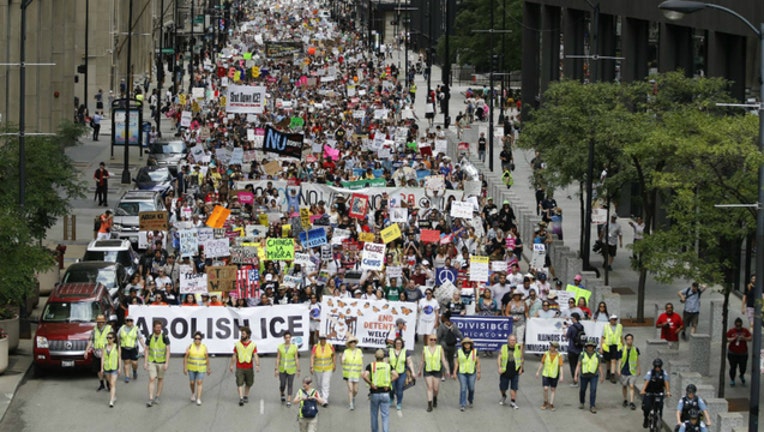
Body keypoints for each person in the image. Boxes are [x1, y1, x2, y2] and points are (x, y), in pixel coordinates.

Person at [362, 349, 398, 432]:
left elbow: (364, 376)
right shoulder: (388, 366)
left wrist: (371, 383)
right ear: (383, 357)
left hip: (375, 393)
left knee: (374, 415)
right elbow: (396, 375)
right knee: (385, 415)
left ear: (375, 357)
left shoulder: (371, 365)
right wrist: (389, 383)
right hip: (385, 393)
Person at [419, 333, 451, 412]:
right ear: (428, 340)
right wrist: (419, 370)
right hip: (428, 370)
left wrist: (447, 369)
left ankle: (435, 397)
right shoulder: (425, 349)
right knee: (430, 387)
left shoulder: (440, 348)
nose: (433, 341)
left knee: (435, 388)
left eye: (434, 340)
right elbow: (422, 361)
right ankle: (429, 405)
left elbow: (443, 359)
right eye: (431, 339)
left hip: (437, 370)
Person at [229, 326, 260, 406]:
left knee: (249, 382)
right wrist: (231, 365)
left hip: (249, 367)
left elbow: (255, 355)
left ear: (248, 335)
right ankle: (241, 398)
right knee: (239, 382)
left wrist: (257, 364)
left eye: (243, 334)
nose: (242, 335)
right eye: (241, 334)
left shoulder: (252, 344)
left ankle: (246, 395)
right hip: (240, 366)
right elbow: (234, 355)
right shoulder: (238, 344)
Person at [144, 320, 170, 407]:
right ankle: (151, 398)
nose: (159, 329)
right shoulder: (150, 337)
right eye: (157, 327)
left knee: (160, 379)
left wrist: (166, 363)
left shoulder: (164, 337)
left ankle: (157, 395)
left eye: (160, 327)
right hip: (152, 361)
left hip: (161, 362)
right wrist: (145, 362)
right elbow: (147, 349)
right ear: (154, 327)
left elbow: (168, 350)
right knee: (152, 378)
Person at [84, 314, 113, 391]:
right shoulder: (94, 329)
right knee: (98, 370)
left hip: (106, 353)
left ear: (104, 321)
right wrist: (86, 350)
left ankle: (108, 384)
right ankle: (101, 384)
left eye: (101, 321)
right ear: (96, 321)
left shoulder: (109, 329)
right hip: (96, 352)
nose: (100, 323)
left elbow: (113, 340)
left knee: (106, 370)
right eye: (99, 321)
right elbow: (91, 340)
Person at [640, 358, 671, 429]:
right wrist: (643, 390)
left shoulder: (664, 373)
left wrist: (668, 392)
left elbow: (666, 383)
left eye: (659, 367)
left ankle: (659, 420)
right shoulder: (650, 373)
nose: (657, 368)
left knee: (660, 406)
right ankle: (646, 419)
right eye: (656, 367)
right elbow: (646, 382)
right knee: (646, 407)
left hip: (659, 392)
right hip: (649, 392)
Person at [574, 341, 604, 413]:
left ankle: (592, 405)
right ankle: (582, 402)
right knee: (582, 390)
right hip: (584, 375)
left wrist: (602, 375)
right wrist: (576, 375)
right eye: (588, 346)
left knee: (593, 390)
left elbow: (599, 366)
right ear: (586, 347)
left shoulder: (597, 355)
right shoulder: (582, 354)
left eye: (591, 346)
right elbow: (578, 365)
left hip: (594, 375)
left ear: (594, 347)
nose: (590, 347)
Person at [452, 337, 480, 411]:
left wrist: (479, 372)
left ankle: (470, 400)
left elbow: (477, 363)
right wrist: (454, 372)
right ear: (463, 344)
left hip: (471, 372)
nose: (467, 345)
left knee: (471, 388)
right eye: (465, 343)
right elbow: (456, 363)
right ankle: (462, 404)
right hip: (462, 372)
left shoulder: (474, 351)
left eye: (468, 343)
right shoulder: (459, 352)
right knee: (463, 388)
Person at [183, 331, 210, 406]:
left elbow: (207, 358)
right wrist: (185, 368)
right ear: (194, 339)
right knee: (192, 382)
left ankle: (198, 398)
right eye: (196, 338)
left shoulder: (204, 347)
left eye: (199, 339)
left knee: (199, 382)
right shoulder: (190, 346)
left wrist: (208, 368)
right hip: (191, 367)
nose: (197, 340)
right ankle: (193, 393)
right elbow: (185, 358)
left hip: (201, 367)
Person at [535, 341, 563, 411]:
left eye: (552, 346)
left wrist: (562, 376)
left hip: (554, 374)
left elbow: (561, 366)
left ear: (555, 348)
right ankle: (545, 402)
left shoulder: (559, 355)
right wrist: (538, 371)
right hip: (546, 373)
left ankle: (551, 403)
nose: (550, 347)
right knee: (545, 388)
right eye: (550, 346)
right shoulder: (546, 354)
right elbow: (542, 363)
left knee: (553, 389)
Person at [497, 334, 523, 409]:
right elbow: (499, 358)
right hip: (505, 371)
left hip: (515, 370)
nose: (512, 342)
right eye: (511, 340)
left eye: (514, 340)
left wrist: (521, 368)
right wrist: (499, 367)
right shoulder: (504, 347)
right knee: (503, 387)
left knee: (514, 387)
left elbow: (521, 358)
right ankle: (504, 395)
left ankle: (513, 402)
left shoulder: (518, 347)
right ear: (508, 341)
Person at [388, 337, 414, 411]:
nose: (398, 344)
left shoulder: (406, 352)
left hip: (402, 373)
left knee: (399, 388)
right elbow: (386, 361)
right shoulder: (390, 351)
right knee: (391, 387)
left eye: (400, 343)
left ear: (402, 344)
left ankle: (399, 403)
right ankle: (391, 398)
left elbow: (409, 362)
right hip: (392, 373)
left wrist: (413, 372)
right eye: (397, 343)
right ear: (394, 344)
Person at [276, 331, 300, 406]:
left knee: (290, 384)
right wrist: (276, 369)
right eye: (286, 338)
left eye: (289, 337)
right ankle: (282, 393)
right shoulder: (280, 347)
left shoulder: (294, 347)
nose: (288, 339)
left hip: (291, 369)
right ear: (284, 338)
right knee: (282, 384)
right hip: (282, 369)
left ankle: (289, 399)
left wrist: (298, 369)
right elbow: (278, 358)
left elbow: (296, 359)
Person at [118, 316, 145, 383]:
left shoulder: (136, 329)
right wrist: (117, 346)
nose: (129, 322)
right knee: (126, 363)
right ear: (125, 321)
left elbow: (140, 338)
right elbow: (118, 337)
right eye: (128, 320)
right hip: (124, 348)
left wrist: (144, 346)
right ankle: (127, 376)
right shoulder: (121, 328)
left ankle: (134, 371)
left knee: (134, 363)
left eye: (131, 320)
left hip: (134, 348)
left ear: (133, 321)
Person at [310, 334, 335, 406]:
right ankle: (319, 396)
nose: (322, 340)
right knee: (319, 384)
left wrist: (334, 364)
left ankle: (325, 399)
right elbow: (312, 356)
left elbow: (333, 355)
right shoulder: (315, 347)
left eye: (324, 339)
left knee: (325, 384)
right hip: (318, 368)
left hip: (328, 368)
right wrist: (311, 366)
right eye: (321, 339)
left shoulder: (330, 346)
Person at [726, 317, 752, 387]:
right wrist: (734, 338)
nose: (738, 327)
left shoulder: (745, 330)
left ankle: (741, 374)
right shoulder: (731, 331)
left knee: (743, 367)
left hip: (743, 353)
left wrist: (744, 338)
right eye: (737, 326)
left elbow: (750, 338)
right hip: (732, 352)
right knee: (733, 367)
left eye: (739, 326)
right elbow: (726, 339)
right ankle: (732, 379)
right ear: (735, 325)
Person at [618, 333, 640, 410]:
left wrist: (638, 369)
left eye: (631, 339)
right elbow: (620, 360)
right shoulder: (622, 349)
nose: (629, 341)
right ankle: (625, 399)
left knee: (631, 386)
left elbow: (637, 359)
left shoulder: (635, 349)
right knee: (624, 386)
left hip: (632, 371)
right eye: (628, 339)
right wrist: (618, 369)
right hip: (624, 370)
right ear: (625, 340)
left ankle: (631, 402)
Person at [436, 312, 462, 377]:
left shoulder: (442, 326)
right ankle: (452, 372)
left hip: (443, 345)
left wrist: (437, 345)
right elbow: (459, 334)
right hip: (452, 345)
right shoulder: (454, 325)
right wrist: (463, 341)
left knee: (443, 359)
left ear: (445, 318)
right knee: (451, 359)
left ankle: (443, 373)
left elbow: (438, 336)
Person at [341, 335, 363, 410]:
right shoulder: (346, 352)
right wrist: (341, 359)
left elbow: (361, 361)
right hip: (348, 374)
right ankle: (351, 404)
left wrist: (362, 370)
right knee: (350, 389)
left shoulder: (359, 351)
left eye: (354, 342)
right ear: (349, 344)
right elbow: (342, 362)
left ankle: (353, 398)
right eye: (351, 342)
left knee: (355, 390)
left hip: (356, 374)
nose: (353, 343)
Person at [564, 312, 585, 386]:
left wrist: (564, 330)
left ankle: (575, 380)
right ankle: (577, 377)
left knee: (572, 365)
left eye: (572, 318)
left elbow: (566, 337)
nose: (571, 320)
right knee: (578, 365)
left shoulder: (571, 328)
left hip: (572, 349)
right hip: (579, 348)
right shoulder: (581, 326)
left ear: (574, 318)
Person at [100, 331, 120, 407]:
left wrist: (119, 368)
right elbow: (102, 357)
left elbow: (119, 357)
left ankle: (111, 400)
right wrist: (102, 368)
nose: (109, 339)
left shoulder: (117, 346)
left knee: (112, 383)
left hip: (114, 367)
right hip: (107, 367)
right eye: (107, 338)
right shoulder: (104, 346)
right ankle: (114, 396)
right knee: (110, 383)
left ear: (114, 339)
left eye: (110, 338)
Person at [601, 314, 623, 383]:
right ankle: (608, 371)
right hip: (607, 345)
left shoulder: (619, 326)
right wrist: (601, 347)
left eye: (615, 319)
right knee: (608, 360)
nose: (614, 321)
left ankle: (612, 375)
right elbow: (603, 337)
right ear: (610, 320)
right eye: (613, 319)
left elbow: (621, 336)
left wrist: (623, 345)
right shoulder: (606, 327)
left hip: (616, 345)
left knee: (613, 360)